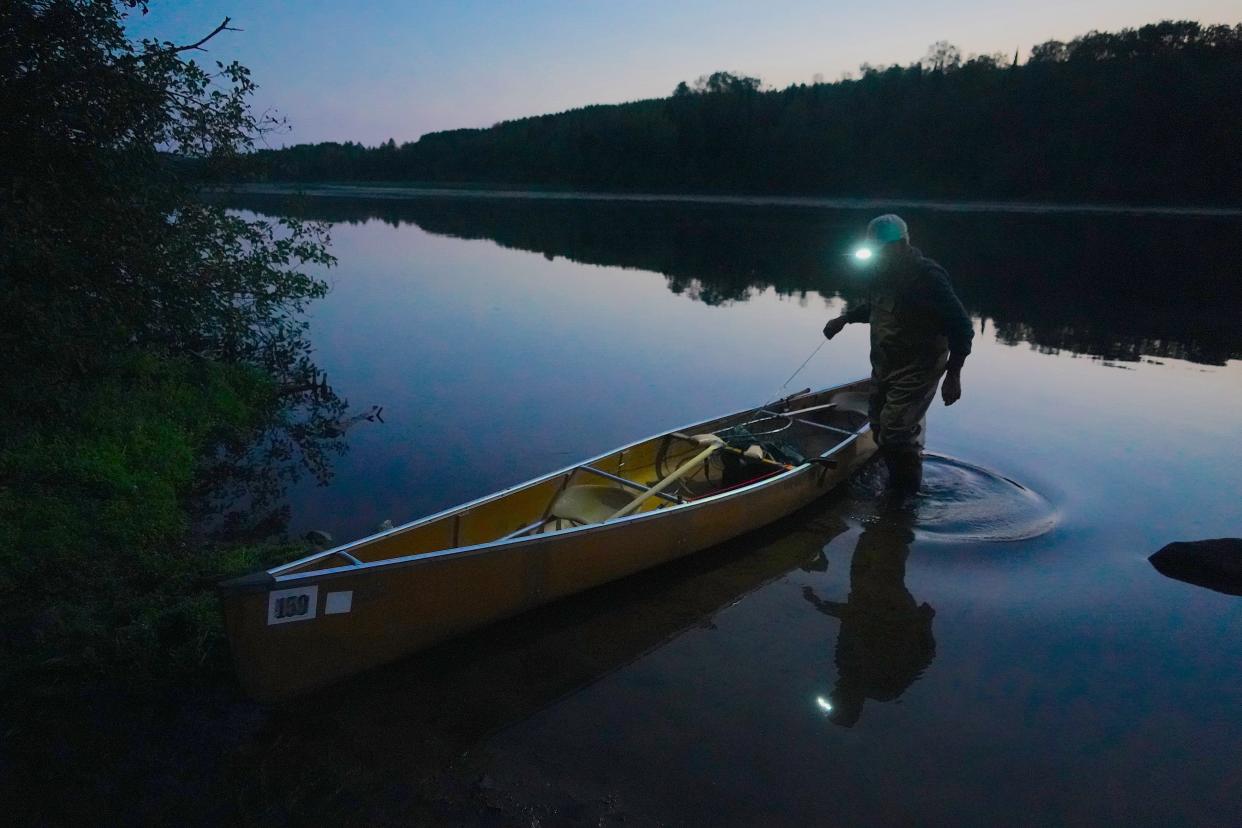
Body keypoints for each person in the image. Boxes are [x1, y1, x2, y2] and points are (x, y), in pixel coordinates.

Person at [823, 214, 973, 495]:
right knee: (879, 428)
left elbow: (962, 327)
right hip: (885, 364)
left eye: (880, 249)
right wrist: (844, 319)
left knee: (895, 433)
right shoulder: (881, 273)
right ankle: (894, 482)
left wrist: (953, 375)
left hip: (919, 367)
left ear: (901, 245)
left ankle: (906, 501)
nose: (876, 255)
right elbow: (875, 306)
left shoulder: (927, 277)